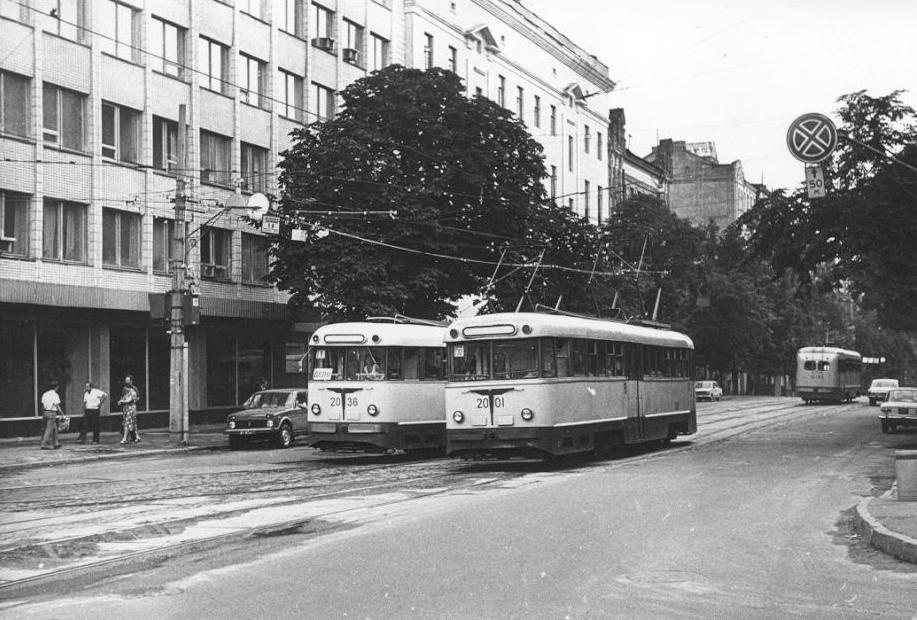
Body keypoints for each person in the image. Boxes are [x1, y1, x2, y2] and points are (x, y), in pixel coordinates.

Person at [39, 381, 63, 450]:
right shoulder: (55, 395)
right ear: (56, 387)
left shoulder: (45, 394)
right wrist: (62, 413)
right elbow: (57, 405)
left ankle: (56, 443)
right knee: (49, 429)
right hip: (52, 412)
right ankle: (44, 444)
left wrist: (43, 413)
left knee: (54, 428)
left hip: (45, 412)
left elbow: (43, 405)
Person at [118, 375, 141, 444]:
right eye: (126, 380)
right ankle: (137, 437)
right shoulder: (124, 388)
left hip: (131, 407)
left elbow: (136, 398)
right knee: (132, 422)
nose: (126, 382)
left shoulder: (134, 389)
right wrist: (121, 401)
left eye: (128, 380)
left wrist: (134, 400)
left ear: (131, 381)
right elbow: (122, 396)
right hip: (126, 407)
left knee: (127, 422)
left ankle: (125, 438)